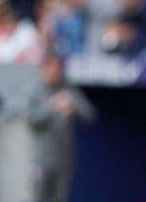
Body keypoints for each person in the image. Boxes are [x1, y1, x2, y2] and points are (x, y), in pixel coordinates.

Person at [26, 54, 96, 202]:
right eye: (51, 67)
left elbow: (90, 115)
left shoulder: (68, 89)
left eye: (58, 67)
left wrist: (73, 108)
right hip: (42, 160)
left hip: (64, 159)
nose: (55, 71)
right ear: (44, 68)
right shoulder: (35, 89)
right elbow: (32, 120)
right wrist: (52, 106)